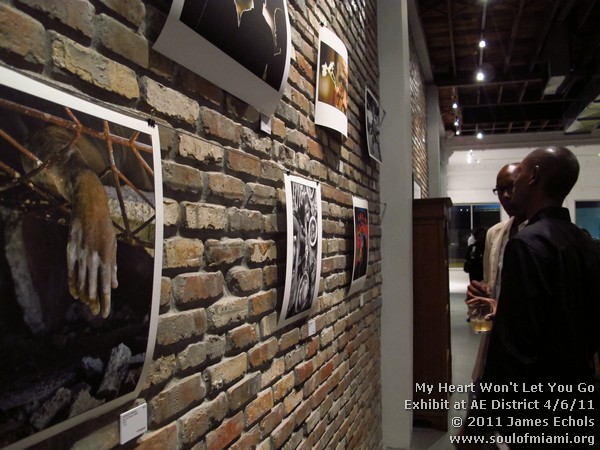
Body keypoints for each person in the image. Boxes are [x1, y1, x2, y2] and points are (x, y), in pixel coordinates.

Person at [465, 146, 600, 448]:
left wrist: (478, 420)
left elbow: (514, 348)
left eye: (520, 176)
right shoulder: (585, 243)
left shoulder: (528, 243)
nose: (512, 189)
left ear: (534, 177)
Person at [236, 0, 275, 79]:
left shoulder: (266, 27)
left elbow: (270, 52)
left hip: (251, 67)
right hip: (247, 63)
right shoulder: (266, 27)